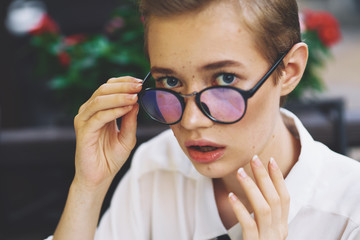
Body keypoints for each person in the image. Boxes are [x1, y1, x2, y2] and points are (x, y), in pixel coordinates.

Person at [47, 0, 360, 239]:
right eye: (170, 82)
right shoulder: (157, 166)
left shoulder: (350, 211)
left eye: (224, 79)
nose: (192, 121)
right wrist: (88, 188)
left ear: (289, 70)